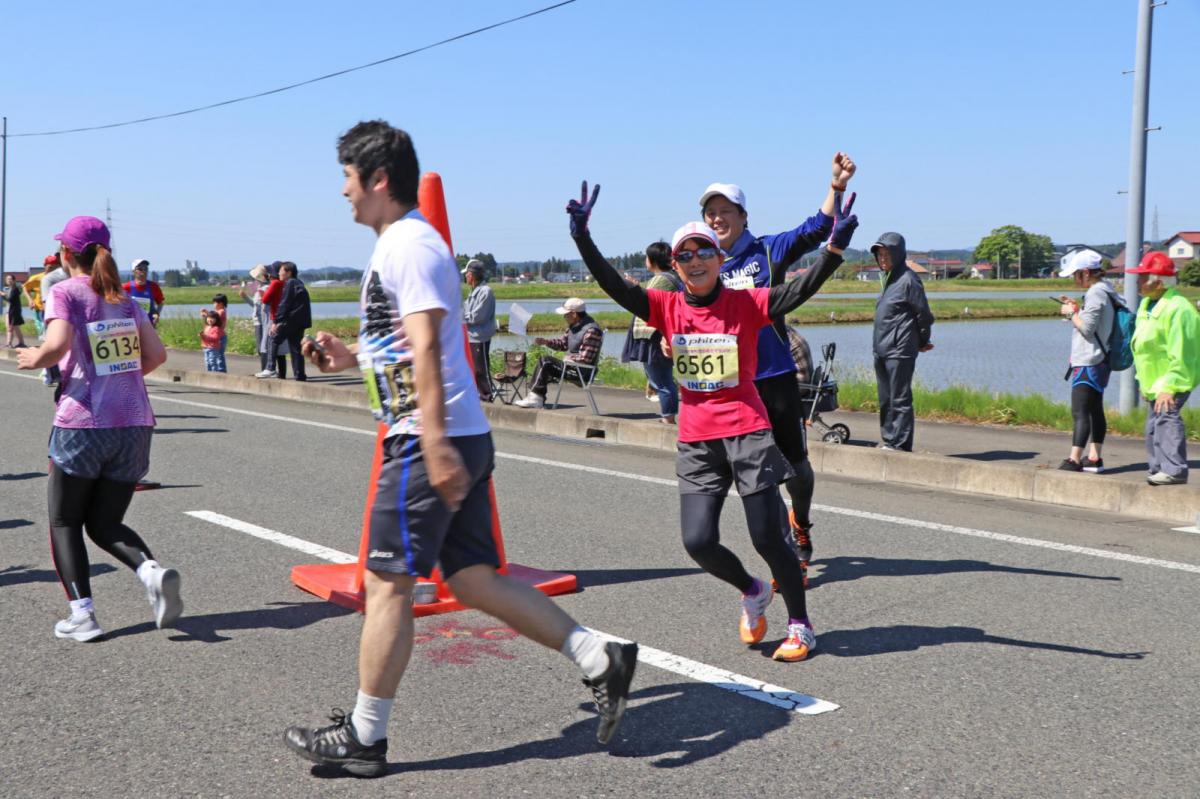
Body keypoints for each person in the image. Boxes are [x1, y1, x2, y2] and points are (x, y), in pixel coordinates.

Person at [285, 120, 638, 777]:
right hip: (450, 432)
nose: (343, 192)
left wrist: (435, 442)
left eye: (348, 178)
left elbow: (426, 346)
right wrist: (348, 356)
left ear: (379, 180)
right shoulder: (403, 244)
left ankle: (365, 736)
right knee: (474, 577)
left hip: (426, 438)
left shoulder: (409, 244)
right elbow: (408, 344)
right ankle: (600, 657)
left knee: (386, 582)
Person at [569, 180, 859, 662]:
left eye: (704, 251)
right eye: (685, 255)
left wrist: (834, 248)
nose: (696, 260)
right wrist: (582, 238)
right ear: (676, 265)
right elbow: (611, 284)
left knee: (768, 536)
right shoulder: (666, 305)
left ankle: (801, 623)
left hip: (746, 430)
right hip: (697, 439)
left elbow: (799, 289)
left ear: (719, 259)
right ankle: (752, 590)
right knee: (698, 541)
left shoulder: (745, 303)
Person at [15, 216, 182, 642]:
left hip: (83, 423)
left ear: (66, 254)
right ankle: (150, 570)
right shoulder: (125, 300)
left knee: (65, 520)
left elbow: (55, 345)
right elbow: (157, 355)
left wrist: (34, 358)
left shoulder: (64, 291)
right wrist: (121, 381)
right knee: (105, 522)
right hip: (134, 425)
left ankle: (83, 616)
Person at [701, 153, 856, 574]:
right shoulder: (701, 264)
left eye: (724, 212)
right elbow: (683, 314)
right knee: (757, 474)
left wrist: (835, 188)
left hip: (775, 377)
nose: (717, 220)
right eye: (710, 213)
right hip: (733, 385)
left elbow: (815, 230)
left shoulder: (767, 251)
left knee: (797, 470)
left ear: (743, 216)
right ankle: (785, 555)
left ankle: (801, 522)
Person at [1126, 252, 1200, 485]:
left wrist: (1171, 386)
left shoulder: (1179, 309)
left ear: (1158, 282)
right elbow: (1144, 347)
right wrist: (1143, 380)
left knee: (1167, 418)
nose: (1137, 282)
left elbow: (1183, 353)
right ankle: (1159, 468)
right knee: (1153, 425)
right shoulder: (1147, 305)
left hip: (1172, 379)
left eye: (1142, 278)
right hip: (1153, 381)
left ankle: (1174, 469)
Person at [1055, 249, 1123, 473]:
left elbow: (1086, 329)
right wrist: (1077, 309)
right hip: (1100, 359)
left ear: (1086, 272)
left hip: (1088, 361)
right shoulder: (1106, 290)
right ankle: (1094, 458)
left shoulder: (1095, 293)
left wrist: (1069, 313)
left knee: (1080, 410)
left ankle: (1074, 459)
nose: (1074, 279)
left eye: (1076, 274)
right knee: (1094, 409)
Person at [870, 232, 934, 452]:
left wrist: (922, 340)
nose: (882, 258)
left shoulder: (908, 279)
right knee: (886, 399)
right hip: (882, 348)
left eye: (887, 253)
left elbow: (923, 314)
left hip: (899, 349)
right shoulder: (888, 279)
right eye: (879, 254)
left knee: (900, 398)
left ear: (898, 254)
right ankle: (889, 440)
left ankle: (901, 444)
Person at [619, 241, 680, 424]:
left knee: (661, 379)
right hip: (656, 335)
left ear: (652, 260)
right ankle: (668, 415)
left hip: (654, 336)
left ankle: (668, 418)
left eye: (647, 257)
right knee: (660, 378)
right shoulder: (668, 278)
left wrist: (634, 289)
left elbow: (648, 303)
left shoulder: (662, 279)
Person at [513, 297, 603, 409]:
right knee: (545, 362)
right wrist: (546, 342)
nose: (564, 317)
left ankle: (536, 398)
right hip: (572, 367)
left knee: (545, 361)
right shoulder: (573, 327)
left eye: (566, 314)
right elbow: (563, 344)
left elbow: (586, 359)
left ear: (574, 314)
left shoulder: (592, 331)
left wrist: (569, 359)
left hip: (582, 373)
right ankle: (535, 397)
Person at [266, 262, 311, 381]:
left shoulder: (290, 283)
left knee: (273, 338)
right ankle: (300, 375)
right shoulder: (299, 283)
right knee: (296, 348)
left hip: (290, 320)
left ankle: (270, 368)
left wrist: (276, 321)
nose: (278, 273)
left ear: (289, 272)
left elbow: (284, 304)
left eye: (281, 271)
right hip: (300, 321)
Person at [461, 258, 498, 401]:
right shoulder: (474, 291)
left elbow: (478, 317)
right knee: (473, 369)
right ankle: (477, 395)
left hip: (480, 336)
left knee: (481, 369)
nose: (465, 276)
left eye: (467, 274)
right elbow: (465, 311)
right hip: (471, 336)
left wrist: (460, 317)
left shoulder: (485, 291)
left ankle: (487, 396)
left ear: (472, 274)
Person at [255, 263, 291, 378]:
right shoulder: (284, 283)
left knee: (271, 344)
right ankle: (282, 375)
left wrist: (263, 294)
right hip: (281, 317)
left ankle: (270, 369)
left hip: (273, 317)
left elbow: (265, 299)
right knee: (280, 350)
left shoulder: (275, 283)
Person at [40, 253, 69, 386]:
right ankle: (52, 374)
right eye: (47, 266)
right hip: (52, 316)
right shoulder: (48, 279)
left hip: (73, 319)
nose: (49, 269)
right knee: (53, 345)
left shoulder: (74, 274)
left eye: (52, 266)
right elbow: (47, 305)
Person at [239, 264, 273, 373]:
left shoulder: (265, 288)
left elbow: (261, 307)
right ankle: (266, 368)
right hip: (259, 321)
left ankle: (267, 369)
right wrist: (245, 297)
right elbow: (255, 305)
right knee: (262, 347)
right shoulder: (261, 288)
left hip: (262, 322)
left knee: (262, 347)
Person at [123, 259, 166, 327]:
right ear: (133, 271)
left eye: (145, 269)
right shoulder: (126, 287)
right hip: (131, 327)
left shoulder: (154, 286)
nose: (143, 272)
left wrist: (157, 313)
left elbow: (160, 303)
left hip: (149, 326)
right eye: (140, 269)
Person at [23, 255, 54, 335]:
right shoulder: (37, 278)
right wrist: (30, 300)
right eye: (50, 267)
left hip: (54, 307)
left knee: (52, 328)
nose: (52, 269)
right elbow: (25, 288)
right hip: (40, 307)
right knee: (43, 328)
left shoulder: (58, 277)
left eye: (55, 267)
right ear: (45, 265)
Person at [4, 274, 27, 347]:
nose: (9, 280)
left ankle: (9, 343)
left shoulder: (15, 289)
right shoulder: (9, 289)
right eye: (7, 279)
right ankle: (21, 343)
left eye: (10, 279)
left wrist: (2, 295)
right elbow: (9, 299)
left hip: (13, 312)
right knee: (14, 328)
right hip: (9, 311)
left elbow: (10, 299)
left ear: (14, 281)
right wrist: (4, 295)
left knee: (10, 328)